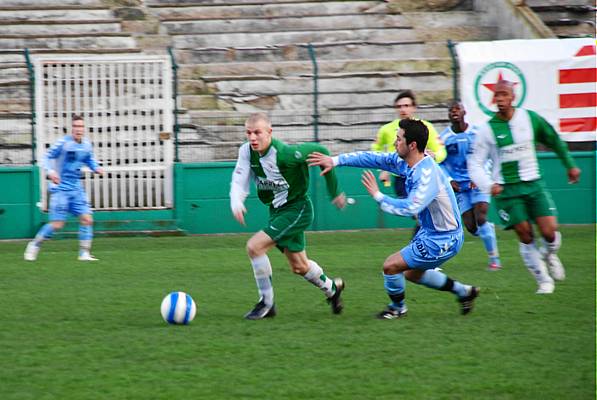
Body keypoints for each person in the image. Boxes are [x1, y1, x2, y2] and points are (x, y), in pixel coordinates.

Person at [308, 119, 479, 319]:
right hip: (432, 233)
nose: (394, 143)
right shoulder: (408, 162)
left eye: (398, 139)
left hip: (444, 238)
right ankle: (464, 292)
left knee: (391, 266)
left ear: (412, 145)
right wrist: (335, 161)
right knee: (411, 273)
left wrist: (378, 196)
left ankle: (397, 309)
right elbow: (373, 158)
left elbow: (410, 207)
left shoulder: (427, 174)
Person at [468, 80, 581, 294]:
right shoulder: (487, 129)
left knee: (549, 232)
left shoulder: (530, 119)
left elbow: (554, 140)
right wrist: (488, 185)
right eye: (496, 95)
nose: (499, 99)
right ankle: (544, 281)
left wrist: (570, 165)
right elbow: (474, 163)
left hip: (533, 184)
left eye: (503, 94)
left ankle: (549, 254)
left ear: (513, 97)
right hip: (507, 191)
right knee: (525, 235)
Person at [230, 113, 347, 320]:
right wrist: (236, 201)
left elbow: (322, 152)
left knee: (254, 247)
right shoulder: (246, 151)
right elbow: (240, 177)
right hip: (277, 212)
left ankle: (266, 304)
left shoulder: (286, 154)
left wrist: (334, 190)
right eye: (249, 133)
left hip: (297, 209)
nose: (252, 138)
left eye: (257, 132)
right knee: (299, 266)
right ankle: (332, 289)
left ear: (269, 132)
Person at [24, 115, 104, 261]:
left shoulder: (86, 144)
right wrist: (51, 171)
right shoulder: (63, 143)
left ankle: (84, 253)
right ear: (71, 128)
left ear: (84, 129)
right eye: (76, 126)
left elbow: (89, 159)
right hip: (60, 189)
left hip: (76, 189)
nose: (78, 129)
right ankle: (34, 245)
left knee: (87, 219)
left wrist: (96, 168)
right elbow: (46, 157)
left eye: (81, 126)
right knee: (57, 224)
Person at [439, 100, 501, 270]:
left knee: (481, 217)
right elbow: (440, 163)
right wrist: (448, 180)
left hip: (478, 182)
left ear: (464, 112)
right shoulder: (444, 138)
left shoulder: (477, 133)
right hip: (459, 187)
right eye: (451, 110)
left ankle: (494, 260)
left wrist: (480, 176)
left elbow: (488, 155)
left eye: (457, 109)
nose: (454, 112)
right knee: (472, 227)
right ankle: (488, 230)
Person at [372, 90, 446, 197]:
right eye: (399, 106)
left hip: (422, 173)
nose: (403, 109)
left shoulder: (425, 127)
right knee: (413, 207)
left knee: (420, 208)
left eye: (406, 105)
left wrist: (435, 156)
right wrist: (383, 168)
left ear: (414, 107)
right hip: (401, 176)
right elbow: (376, 148)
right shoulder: (386, 129)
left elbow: (441, 150)